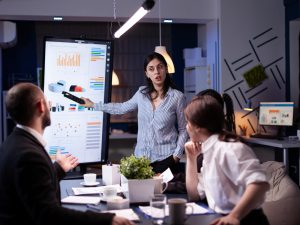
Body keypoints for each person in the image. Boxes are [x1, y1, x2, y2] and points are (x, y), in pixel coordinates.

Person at [0, 83, 135, 225]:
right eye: (47, 101)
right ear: (41, 106)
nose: (50, 106)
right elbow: (49, 215)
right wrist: (108, 219)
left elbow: (30, 188)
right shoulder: (28, 155)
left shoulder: (13, 143)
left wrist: (58, 168)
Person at [82, 52, 188, 174]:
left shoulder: (177, 97)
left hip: (167, 158)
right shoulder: (141, 93)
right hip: (141, 161)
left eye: (160, 67)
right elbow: (121, 108)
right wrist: (93, 105)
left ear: (166, 69)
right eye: (151, 69)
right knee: (140, 192)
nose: (156, 72)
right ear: (147, 74)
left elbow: (183, 129)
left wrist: (176, 155)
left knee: (165, 193)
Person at [184, 95, 270, 225]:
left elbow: (260, 184)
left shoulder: (229, 149)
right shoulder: (209, 151)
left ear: (198, 127)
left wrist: (234, 216)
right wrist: (191, 158)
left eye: (188, 122)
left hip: (245, 220)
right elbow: (194, 195)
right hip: (222, 219)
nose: (186, 127)